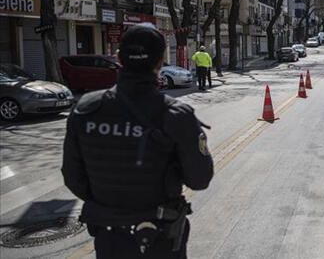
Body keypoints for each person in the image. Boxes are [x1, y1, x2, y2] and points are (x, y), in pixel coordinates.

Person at [62, 23, 214, 258]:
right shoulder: (176, 115)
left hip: (109, 237)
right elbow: (200, 179)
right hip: (161, 237)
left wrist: (110, 202)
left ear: (119, 58)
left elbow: (73, 177)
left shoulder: (86, 110)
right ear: (160, 61)